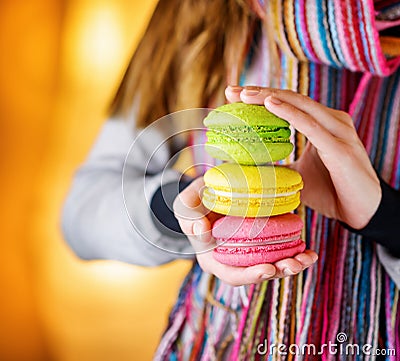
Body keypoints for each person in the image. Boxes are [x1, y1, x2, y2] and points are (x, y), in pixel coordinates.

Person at [62, 0, 400, 359]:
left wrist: (384, 216)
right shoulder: (199, 10)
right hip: (220, 339)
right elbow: (81, 212)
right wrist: (192, 206)